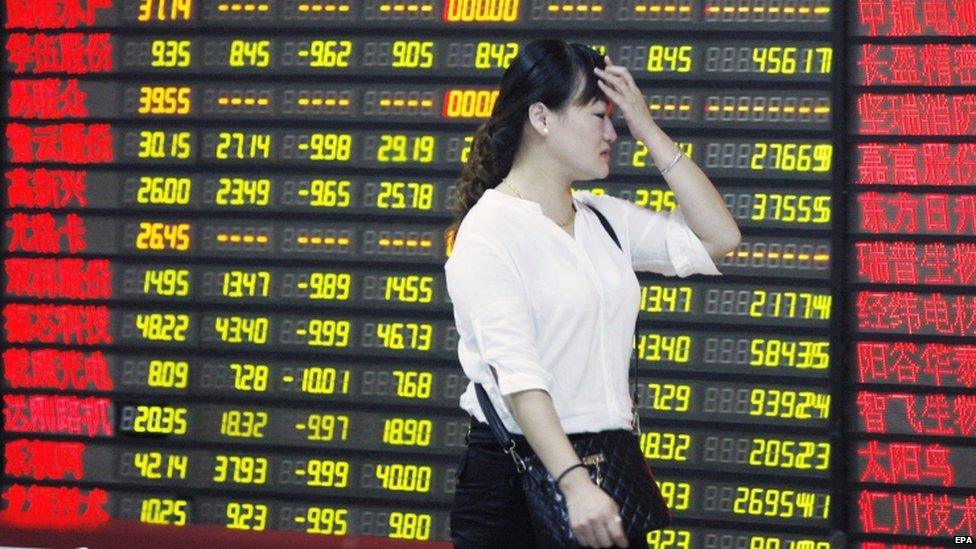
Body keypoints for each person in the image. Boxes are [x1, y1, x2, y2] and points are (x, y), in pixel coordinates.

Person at [445, 39, 741, 548]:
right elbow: (519, 378)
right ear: (541, 118)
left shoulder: (603, 219)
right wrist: (573, 482)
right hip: (518, 483)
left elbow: (720, 238)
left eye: (615, 119)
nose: (611, 133)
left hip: (607, 470)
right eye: (598, 116)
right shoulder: (489, 229)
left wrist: (647, 128)